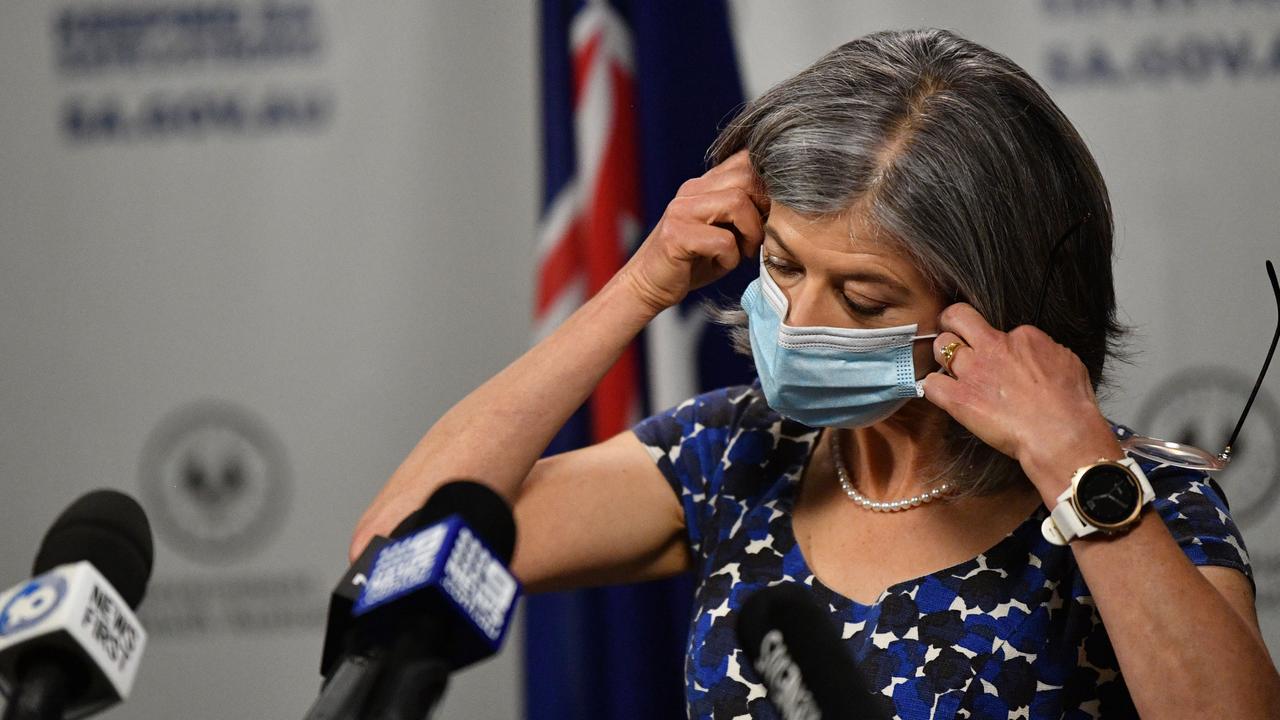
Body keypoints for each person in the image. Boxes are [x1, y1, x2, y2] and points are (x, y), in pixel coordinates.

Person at [351, 28, 1279, 719]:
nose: (799, 323)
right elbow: (396, 557)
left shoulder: (1124, 494)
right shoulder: (733, 454)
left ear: (998, 304)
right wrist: (636, 288)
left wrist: (1076, 461)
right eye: (785, 266)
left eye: (866, 300)